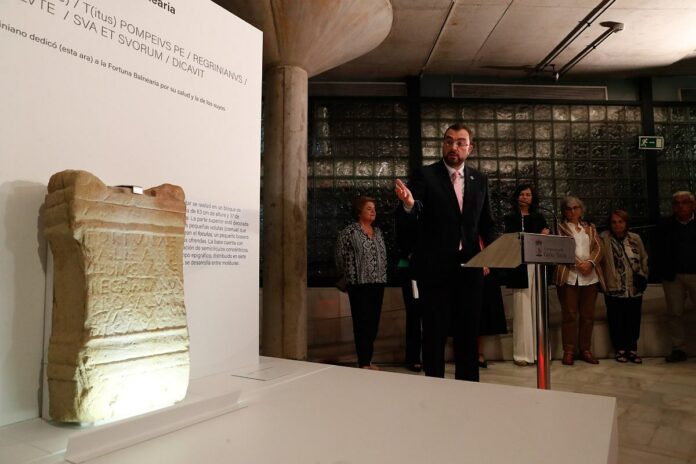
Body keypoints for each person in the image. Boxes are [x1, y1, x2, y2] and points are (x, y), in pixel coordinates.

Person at [394, 123, 496, 381]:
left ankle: (468, 388)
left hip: (470, 268)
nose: (454, 146)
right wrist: (408, 205)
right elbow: (414, 210)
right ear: (442, 144)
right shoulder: (426, 175)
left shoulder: (480, 180)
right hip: (435, 269)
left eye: (460, 142)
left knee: (468, 334)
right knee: (434, 334)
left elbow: (487, 224)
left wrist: (490, 257)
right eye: (449, 141)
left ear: (469, 148)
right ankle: (435, 389)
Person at [335, 196, 388, 370]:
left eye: (374, 208)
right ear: (359, 212)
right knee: (362, 323)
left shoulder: (378, 232)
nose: (373, 211)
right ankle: (363, 362)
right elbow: (339, 256)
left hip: (378, 283)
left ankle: (368, 360)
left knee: (373, 323)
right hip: (359, 284)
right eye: (369, 208)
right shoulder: (350, 232)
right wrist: (349, 275)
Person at [554, 196, 605, 366]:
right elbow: (559, 249)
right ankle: (569, 351)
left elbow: (599, 247)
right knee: (569, 315)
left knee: (588, 316)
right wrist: (578, 264)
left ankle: (585, 350)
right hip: (569, 276)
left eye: (575, 208)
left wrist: (590, 263)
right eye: (568, 209)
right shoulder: (559, 228)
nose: (572, 211)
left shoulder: (590, 228)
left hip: (590, 277)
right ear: (564, 211)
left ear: (581, 210)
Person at [503, 184, 550, 367]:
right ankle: (523, 354)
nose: (524, 197)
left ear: (533, 198)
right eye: (521, 194)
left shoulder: (540, 217)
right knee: (522, 309)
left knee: (538, 308)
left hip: (537, 267)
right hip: (519, 268)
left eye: (528, 194)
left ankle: (540, 353)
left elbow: (545, 240)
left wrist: (545, 235)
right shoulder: (510, 218)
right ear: (516, 197)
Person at [599, 210, 649, 364]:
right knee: (616, 320)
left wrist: (644, 274)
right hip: (614, 287)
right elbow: (600, 262)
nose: (617, 225)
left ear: (626, 223)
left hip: (633, 287)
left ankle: (632, 349)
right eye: (614, 222)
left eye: (620, 221)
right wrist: (604, 283)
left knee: (633, 319)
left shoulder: (635, 238)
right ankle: (620, 349)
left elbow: (643, 257)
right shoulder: (603, 238)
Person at [654, 191, 696, 363]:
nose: (681, 206)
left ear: (693, 205)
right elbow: (658, 250)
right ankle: (679, 348)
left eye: (685, 202)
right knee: (674, 313)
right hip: (674, 276)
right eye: (677, 203)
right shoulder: (666, 225)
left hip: (695, 273)